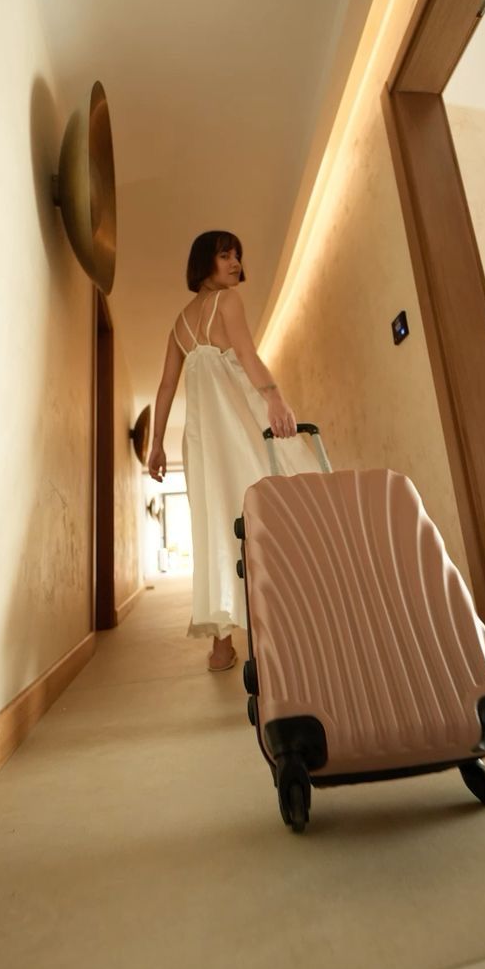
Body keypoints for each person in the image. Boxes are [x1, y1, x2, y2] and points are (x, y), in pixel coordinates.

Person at [148, 230, 319, 671]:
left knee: (217, 523)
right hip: (237, 426)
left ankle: (222, 646)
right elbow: (246, 354)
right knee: (272, 510)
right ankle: (285, 628)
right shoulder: (228, 303)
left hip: (203, 440)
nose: (236, 262)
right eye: (225, 255)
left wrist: (156, 446)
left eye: (238, 255)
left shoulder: (179, 324)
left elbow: (166, 388)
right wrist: (275, 397)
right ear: (206, 261)